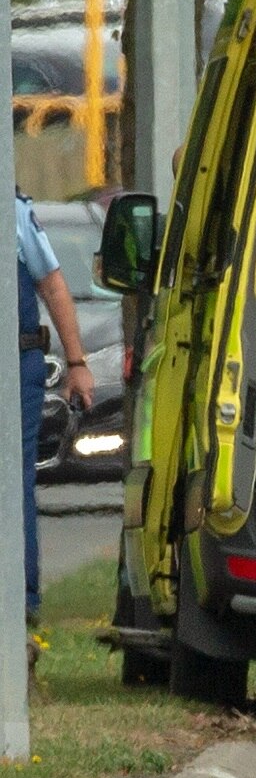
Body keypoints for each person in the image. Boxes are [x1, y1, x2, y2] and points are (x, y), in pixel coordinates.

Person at [16, 190, 94, 625]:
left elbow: (52, 284)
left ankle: (24, 603)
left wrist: (77, 363)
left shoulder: (14, 211)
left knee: (14, 480)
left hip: (15, 364)